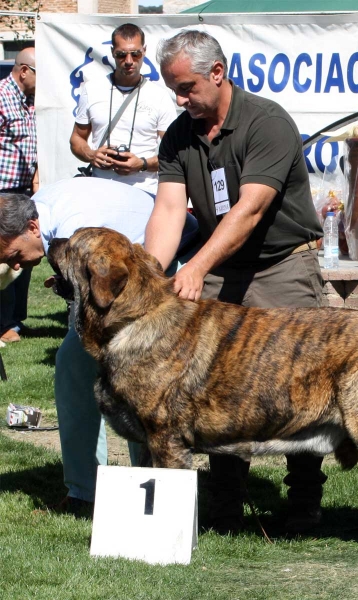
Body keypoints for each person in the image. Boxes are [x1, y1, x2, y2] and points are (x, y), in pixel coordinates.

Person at [145, 30, 326, 534]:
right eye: (173, 91)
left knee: (299, 385)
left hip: (281, 265)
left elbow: (250, 210)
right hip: (222, 266)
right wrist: (148, 279)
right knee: (216, 387)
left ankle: (304, 502)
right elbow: (167, 211)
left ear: (218, 73)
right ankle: (224, 503)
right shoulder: (180, 135)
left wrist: (197, 268)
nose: (180, 101)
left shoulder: (267, 122)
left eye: (186, 88)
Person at [0, 178, 198, 515]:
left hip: (177, 252)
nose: (16, 265)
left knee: (144, 384)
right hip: (124, 272)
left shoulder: (78, 224)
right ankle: (83, 493)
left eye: (15, 255)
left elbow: (105, 293)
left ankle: (151, 490)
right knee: (73, 366)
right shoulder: (41, 215)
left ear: (32, 227)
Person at [69, 22, 177, 197]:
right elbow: (76, 139)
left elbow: (175, 154)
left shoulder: (159, 96)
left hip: (145, 192)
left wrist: (142, 164)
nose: (129, 61)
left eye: (135, 54)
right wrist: (92, 155)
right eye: (121, 55)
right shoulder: (92, 90)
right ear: (112, 52)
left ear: (144, 51)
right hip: (101, 190)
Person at [0, 47, 38, 344]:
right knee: (4, 259)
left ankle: (14, 320)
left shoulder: (32, 102)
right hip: (2, 191)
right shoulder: (1, 96)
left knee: (23, 257)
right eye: (41, 73)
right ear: (24, 70)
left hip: (24, 191)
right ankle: (2, 323)